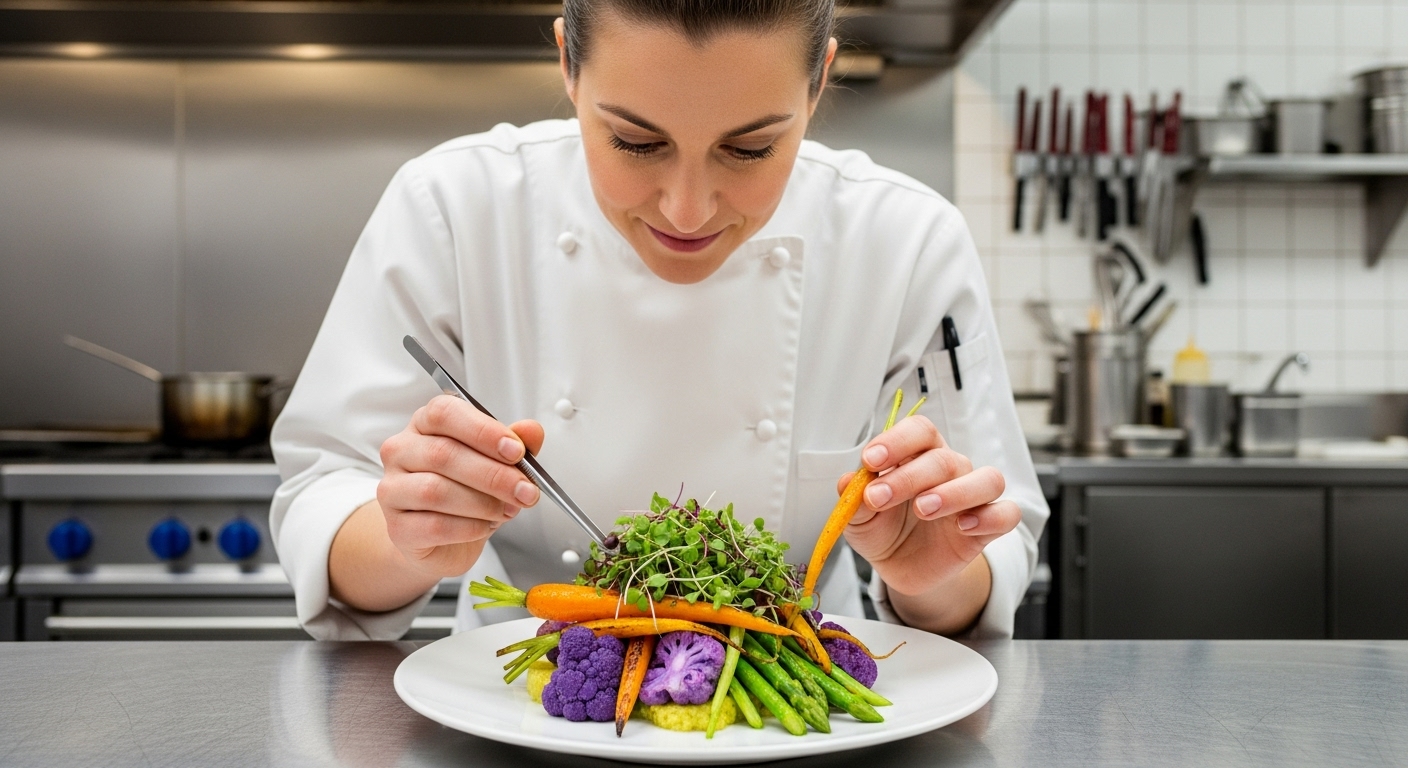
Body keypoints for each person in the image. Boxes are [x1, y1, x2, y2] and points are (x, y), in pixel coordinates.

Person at [270, 0, 1048, 642]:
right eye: (636, 141)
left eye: (749, 149)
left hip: (807, 709)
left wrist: (932, 576)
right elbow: (325, 505)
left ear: (818, 86)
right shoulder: (453, 208)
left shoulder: (904, 240)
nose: (687, 208)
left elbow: (987, 553)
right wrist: (408, 535)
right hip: (510, 706)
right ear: (568, 67)